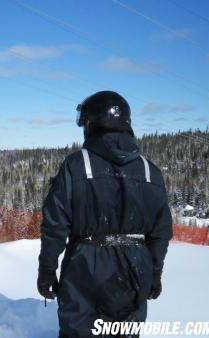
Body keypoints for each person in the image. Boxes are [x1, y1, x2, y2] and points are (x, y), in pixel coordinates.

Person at [37, 91, 173, 337]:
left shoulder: (77, 164)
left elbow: (55, 223)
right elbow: (160, 231)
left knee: (79, 329)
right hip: (136, 266)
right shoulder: (150, 171)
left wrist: (47, 269)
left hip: (86, 265)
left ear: (92, 123)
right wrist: (153, 272)